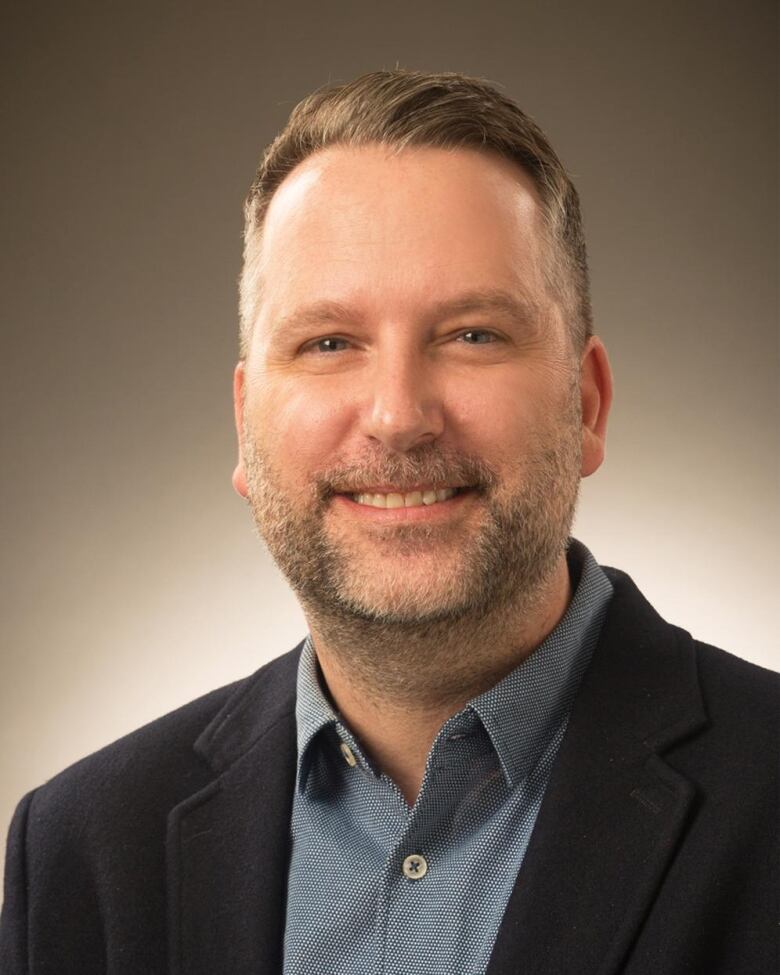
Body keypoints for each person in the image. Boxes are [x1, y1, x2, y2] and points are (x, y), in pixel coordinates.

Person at [1, 70, 776, 975]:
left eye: (473, 334)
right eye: (329, 342)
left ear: (587, 405)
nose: (398, 414)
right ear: (246, 423)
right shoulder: (81, 851)